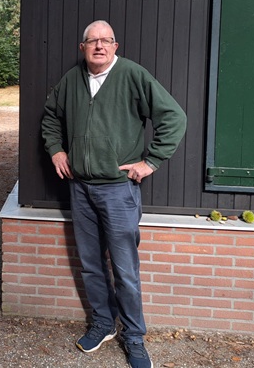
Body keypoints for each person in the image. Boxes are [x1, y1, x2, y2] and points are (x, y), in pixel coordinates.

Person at [41, 20, 186, 368]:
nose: (99, 46)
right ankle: (104, 324)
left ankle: (134, 337)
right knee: (91, 265)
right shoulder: (71, 80)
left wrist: (150, 162)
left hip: (119, 191)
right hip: (81, 189)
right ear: (83, 47)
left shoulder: (134, 76)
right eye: (92, 41)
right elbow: (50, 117)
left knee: (125, 270)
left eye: (106, 41)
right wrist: (57, 150)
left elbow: (174, 117)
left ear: (115, 46)